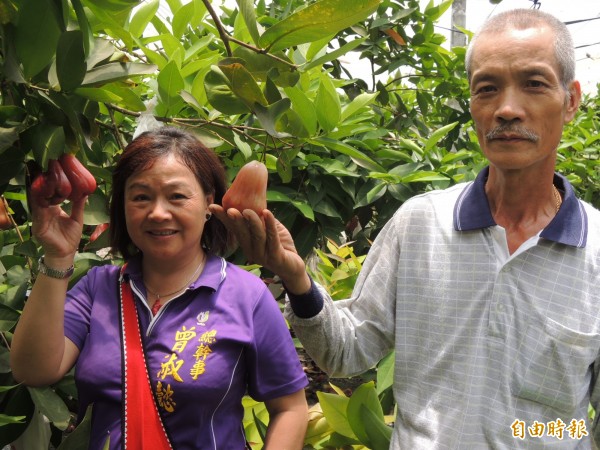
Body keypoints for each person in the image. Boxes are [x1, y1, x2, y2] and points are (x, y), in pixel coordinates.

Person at [209, 8, 600, 449]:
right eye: (487, 89)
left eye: (534, 83)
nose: (507, 109)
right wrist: (296, 277)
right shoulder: (420, 224)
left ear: (570, 100)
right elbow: (347, 351)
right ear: (473, 106)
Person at [10, 127, 309, 449]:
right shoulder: (99, 288)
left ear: (209, 202)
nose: (158, 212)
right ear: (122, 207)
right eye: (140, 197)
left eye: (177, 196)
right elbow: (34, 371)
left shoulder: (246, 295)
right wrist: (58, 255)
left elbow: (290, 408)